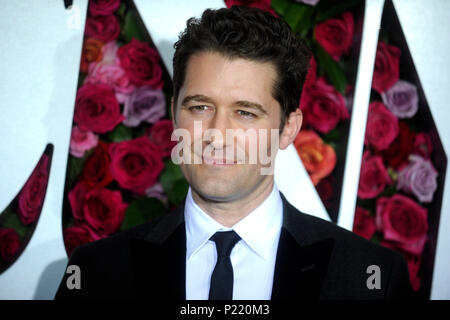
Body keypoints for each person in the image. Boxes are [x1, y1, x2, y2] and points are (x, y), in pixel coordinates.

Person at [55, 6, 413, 300]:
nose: (216, 135)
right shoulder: (98, 273)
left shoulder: (367, 278)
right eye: (199, 107)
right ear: (174, 112)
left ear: (288, 127)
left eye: (245, 112)